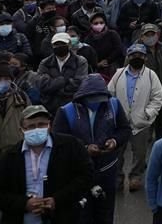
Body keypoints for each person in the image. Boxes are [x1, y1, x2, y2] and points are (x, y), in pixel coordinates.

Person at [0, 104, 92, 224]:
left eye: (41, 125)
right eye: (31, 126)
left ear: (49, 126)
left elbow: (86, 176)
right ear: (22, 130)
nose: (37, 129)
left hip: (62, 217)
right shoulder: (9, 157)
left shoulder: (70, 146)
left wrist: (57, 200)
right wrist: (24, 203)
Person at [52, 73, 131, 224]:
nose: (96, 102)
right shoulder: (66, 112)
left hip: (107, 170)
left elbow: (124, 129)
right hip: (78, 173)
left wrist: (115, 141)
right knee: (82, 214)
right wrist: (84, 148)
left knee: (105, 213)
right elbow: (59, 141)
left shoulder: (113, 105)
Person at [108, 42, 162, 192]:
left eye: (140, 55)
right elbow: (109, 95)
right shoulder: (119, 74)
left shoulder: (151, 75)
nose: (136, 58)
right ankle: (118, 178)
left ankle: (136, 176)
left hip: (141, 122)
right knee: (118, 153)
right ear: (128, 57)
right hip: (120, 123)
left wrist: (149, 113)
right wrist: (113, 114)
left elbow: (158, 97)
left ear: (145, 58)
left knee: (139, 153)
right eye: (133, 55)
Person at [36, 31, 88, 114]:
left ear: (69, 45)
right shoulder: (45, 63)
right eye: (56, 44)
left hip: (73, 106)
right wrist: (63, 80)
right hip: (50, 107)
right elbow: (42, 85)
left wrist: (54, 87)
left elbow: (79, 83)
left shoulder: (80, 61)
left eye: (63, 44)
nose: (59, 47)